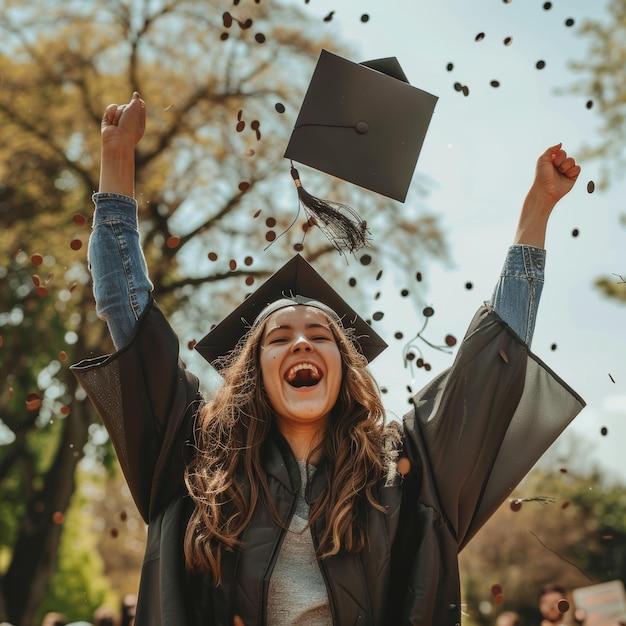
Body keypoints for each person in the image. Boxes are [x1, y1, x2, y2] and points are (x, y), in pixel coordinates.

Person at [71, 92, 585, 626]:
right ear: (254, 371)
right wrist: (117, 160)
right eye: (278, 337)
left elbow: (489, 363)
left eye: (321, 335)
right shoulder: (201, 461)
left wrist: (538, 209)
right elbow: (131, 319)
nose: (301, 343)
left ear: (344, 368)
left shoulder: (401, 471)